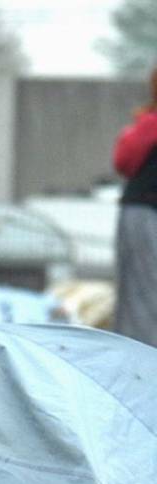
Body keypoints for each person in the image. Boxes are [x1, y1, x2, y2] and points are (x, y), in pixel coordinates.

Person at [113, 68, 157, 345]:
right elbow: (123, 160)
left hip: (142, 212)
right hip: (145, 214)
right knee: (144, 297)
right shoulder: (150, 125)